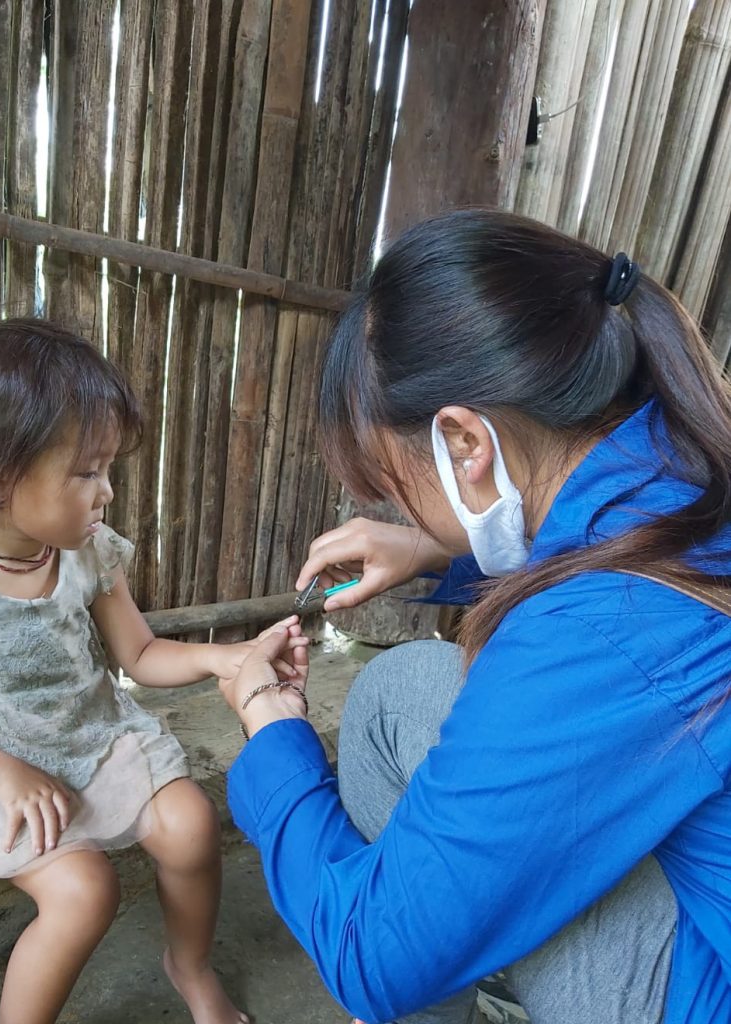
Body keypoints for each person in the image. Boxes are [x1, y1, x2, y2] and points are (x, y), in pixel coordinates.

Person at [218, 209, 731, 1024]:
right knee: (398, 691)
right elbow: (608, 557)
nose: (400, 507)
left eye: (394, 483)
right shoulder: (686, 450)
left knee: (403, 930)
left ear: (464, 443)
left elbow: (371, 958)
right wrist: (438, 553)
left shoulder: (594, 633)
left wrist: (268, 732)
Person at [0, 319, 307, 1024]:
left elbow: (141, 656)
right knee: (84, 890)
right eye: (86, 471)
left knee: (189, 824)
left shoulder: (88, 553)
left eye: (108, 470)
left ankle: (187, 966)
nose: (108, 493)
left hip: (89, 740)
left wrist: (230, 657)